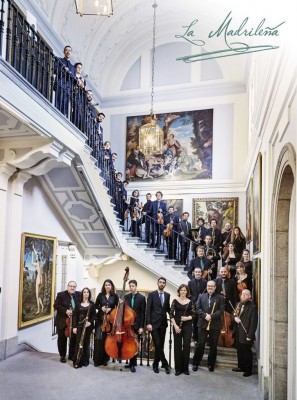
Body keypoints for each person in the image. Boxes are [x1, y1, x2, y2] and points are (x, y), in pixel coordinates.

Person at [192, 280, 225, 372]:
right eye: (208, 286)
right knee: (200, 344)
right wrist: (204, 315)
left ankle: (211, 364)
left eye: (212, 286)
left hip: (215, 324)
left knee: (213, 345)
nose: (210, 287)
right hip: (202, 324)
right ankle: (196, 363)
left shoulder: (220, 298)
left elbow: (221, 310)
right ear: (206, 287)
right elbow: (197, 308)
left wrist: (211, 316)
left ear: (215, 287)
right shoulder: (201, 296)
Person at [146, 277, 171, 374]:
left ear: (165, 284)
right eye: (160, 282)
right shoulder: (152, 294)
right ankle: (165, 364)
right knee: (157, 343)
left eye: (163, 283)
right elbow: (148, 310)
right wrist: (148, 323)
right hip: (153, 324)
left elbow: (167, 309)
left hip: (163, 324)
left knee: (159, 345)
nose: (161, 284)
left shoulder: (167, 295)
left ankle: (155, 364)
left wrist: (174, 316)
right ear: (157, 283)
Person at [232, 289, 258, 377]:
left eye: (245, 294)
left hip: (246, 333)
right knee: (239, 350)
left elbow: (254, 322)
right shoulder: (238, 304)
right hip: (238, 332)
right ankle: (241, 366)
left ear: (249, 296)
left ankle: (248, 370)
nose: (243, 295)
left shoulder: (252, 307)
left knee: (247, 352)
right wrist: (235, 318)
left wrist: (250, 335)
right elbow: (233, 314)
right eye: (242, 294)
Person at [170, 284, 195, 376]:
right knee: (177, 346)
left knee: (186, 346)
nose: (183, 292)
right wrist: (176, 326)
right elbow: (171, 314)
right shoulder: (175, 301)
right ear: (179, 291)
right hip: (177, 324)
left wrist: (187, 318)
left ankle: (185, 368)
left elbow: (194, 315)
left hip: (187, 325)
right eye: (181, 290)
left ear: (187, 291)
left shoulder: (190, 302)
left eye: (185, 290)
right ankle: (178, 369)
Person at [93, 279, 119, 367]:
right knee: (98, 339)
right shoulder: (100, 295)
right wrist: (101, 308)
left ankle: (105, 360)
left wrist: (111, 309)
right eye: (106, 285)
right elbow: (95, 305)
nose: (107, 286)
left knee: (107, 341)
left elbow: (117, 308)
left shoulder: (115, 296)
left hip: (109, 321)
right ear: (104, 286)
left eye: (109, 284)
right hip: (100, 320)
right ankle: (97, 360)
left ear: (111, 286)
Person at [54, 281, 80, 363]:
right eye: (70, 286)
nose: (72, 288)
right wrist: (66, 311)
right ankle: (62, 356)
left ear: (76, 287)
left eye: (74, 286)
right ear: (67, 286)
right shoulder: (61, 295)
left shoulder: (79, 295)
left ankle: (71, 355)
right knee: (62, 339)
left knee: (73, 339)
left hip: (73, 322)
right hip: (62, 321)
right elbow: (56, 306)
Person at [124, 280, 146, 372]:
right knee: (128, 344)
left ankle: (133, 364)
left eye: (133, 286)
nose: (131, 288)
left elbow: (143, 313)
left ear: (136, 286)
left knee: (135, 345)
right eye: (130, 286)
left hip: (137, 325)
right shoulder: (126, 297)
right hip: (128, 325)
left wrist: (141, 327)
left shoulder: (141, 297)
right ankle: (130, 362)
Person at [72, 287, 96, 368]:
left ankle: (85, 361)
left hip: (88, 327)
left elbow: (94, 316)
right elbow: (75, 316)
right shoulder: (78, 304)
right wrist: (74, 327)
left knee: (86, 343)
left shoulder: (92, 304)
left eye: (87, 292)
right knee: (78, 343)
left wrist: (90, 322)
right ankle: (77, 361)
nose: (86, 293)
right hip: (79, 326)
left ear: (89, 294)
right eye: (84, 292)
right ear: (82, 293)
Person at [54, 45, 75, 117]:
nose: (68, 52)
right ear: (64, 52)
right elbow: (54, 70)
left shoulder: (73, 68)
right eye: (67, 50)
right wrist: (63, 70)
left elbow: (74, 80)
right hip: (60, 84)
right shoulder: (59, 60)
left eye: (70, 50)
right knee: (58, 103)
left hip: (68, 89)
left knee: (65, 105)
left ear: (71, 53)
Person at [188, 267, 207, 344]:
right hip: (194, 305)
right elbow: (189, 294)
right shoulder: (190, 282)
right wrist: (192, 302)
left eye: (199, 272)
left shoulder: (205, 282)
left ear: (201, 273)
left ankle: (202, 338)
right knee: (195, 322)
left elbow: (206, 294)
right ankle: (195, 338)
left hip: (203, 305)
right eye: (196, 272)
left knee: (202, 322)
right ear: (194, 273)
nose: (198, 273)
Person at [31, 244, 44, 314]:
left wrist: (33, 252)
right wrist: (34, 250)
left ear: (37, 258)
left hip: (38, 279)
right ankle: (42, 306)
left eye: (37, 257)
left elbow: (31, 262)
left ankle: (38, 310)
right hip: (41, 279)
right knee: (38, 296)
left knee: (37, 296)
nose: (36, 257)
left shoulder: (37, 263)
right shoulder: (40, 264)